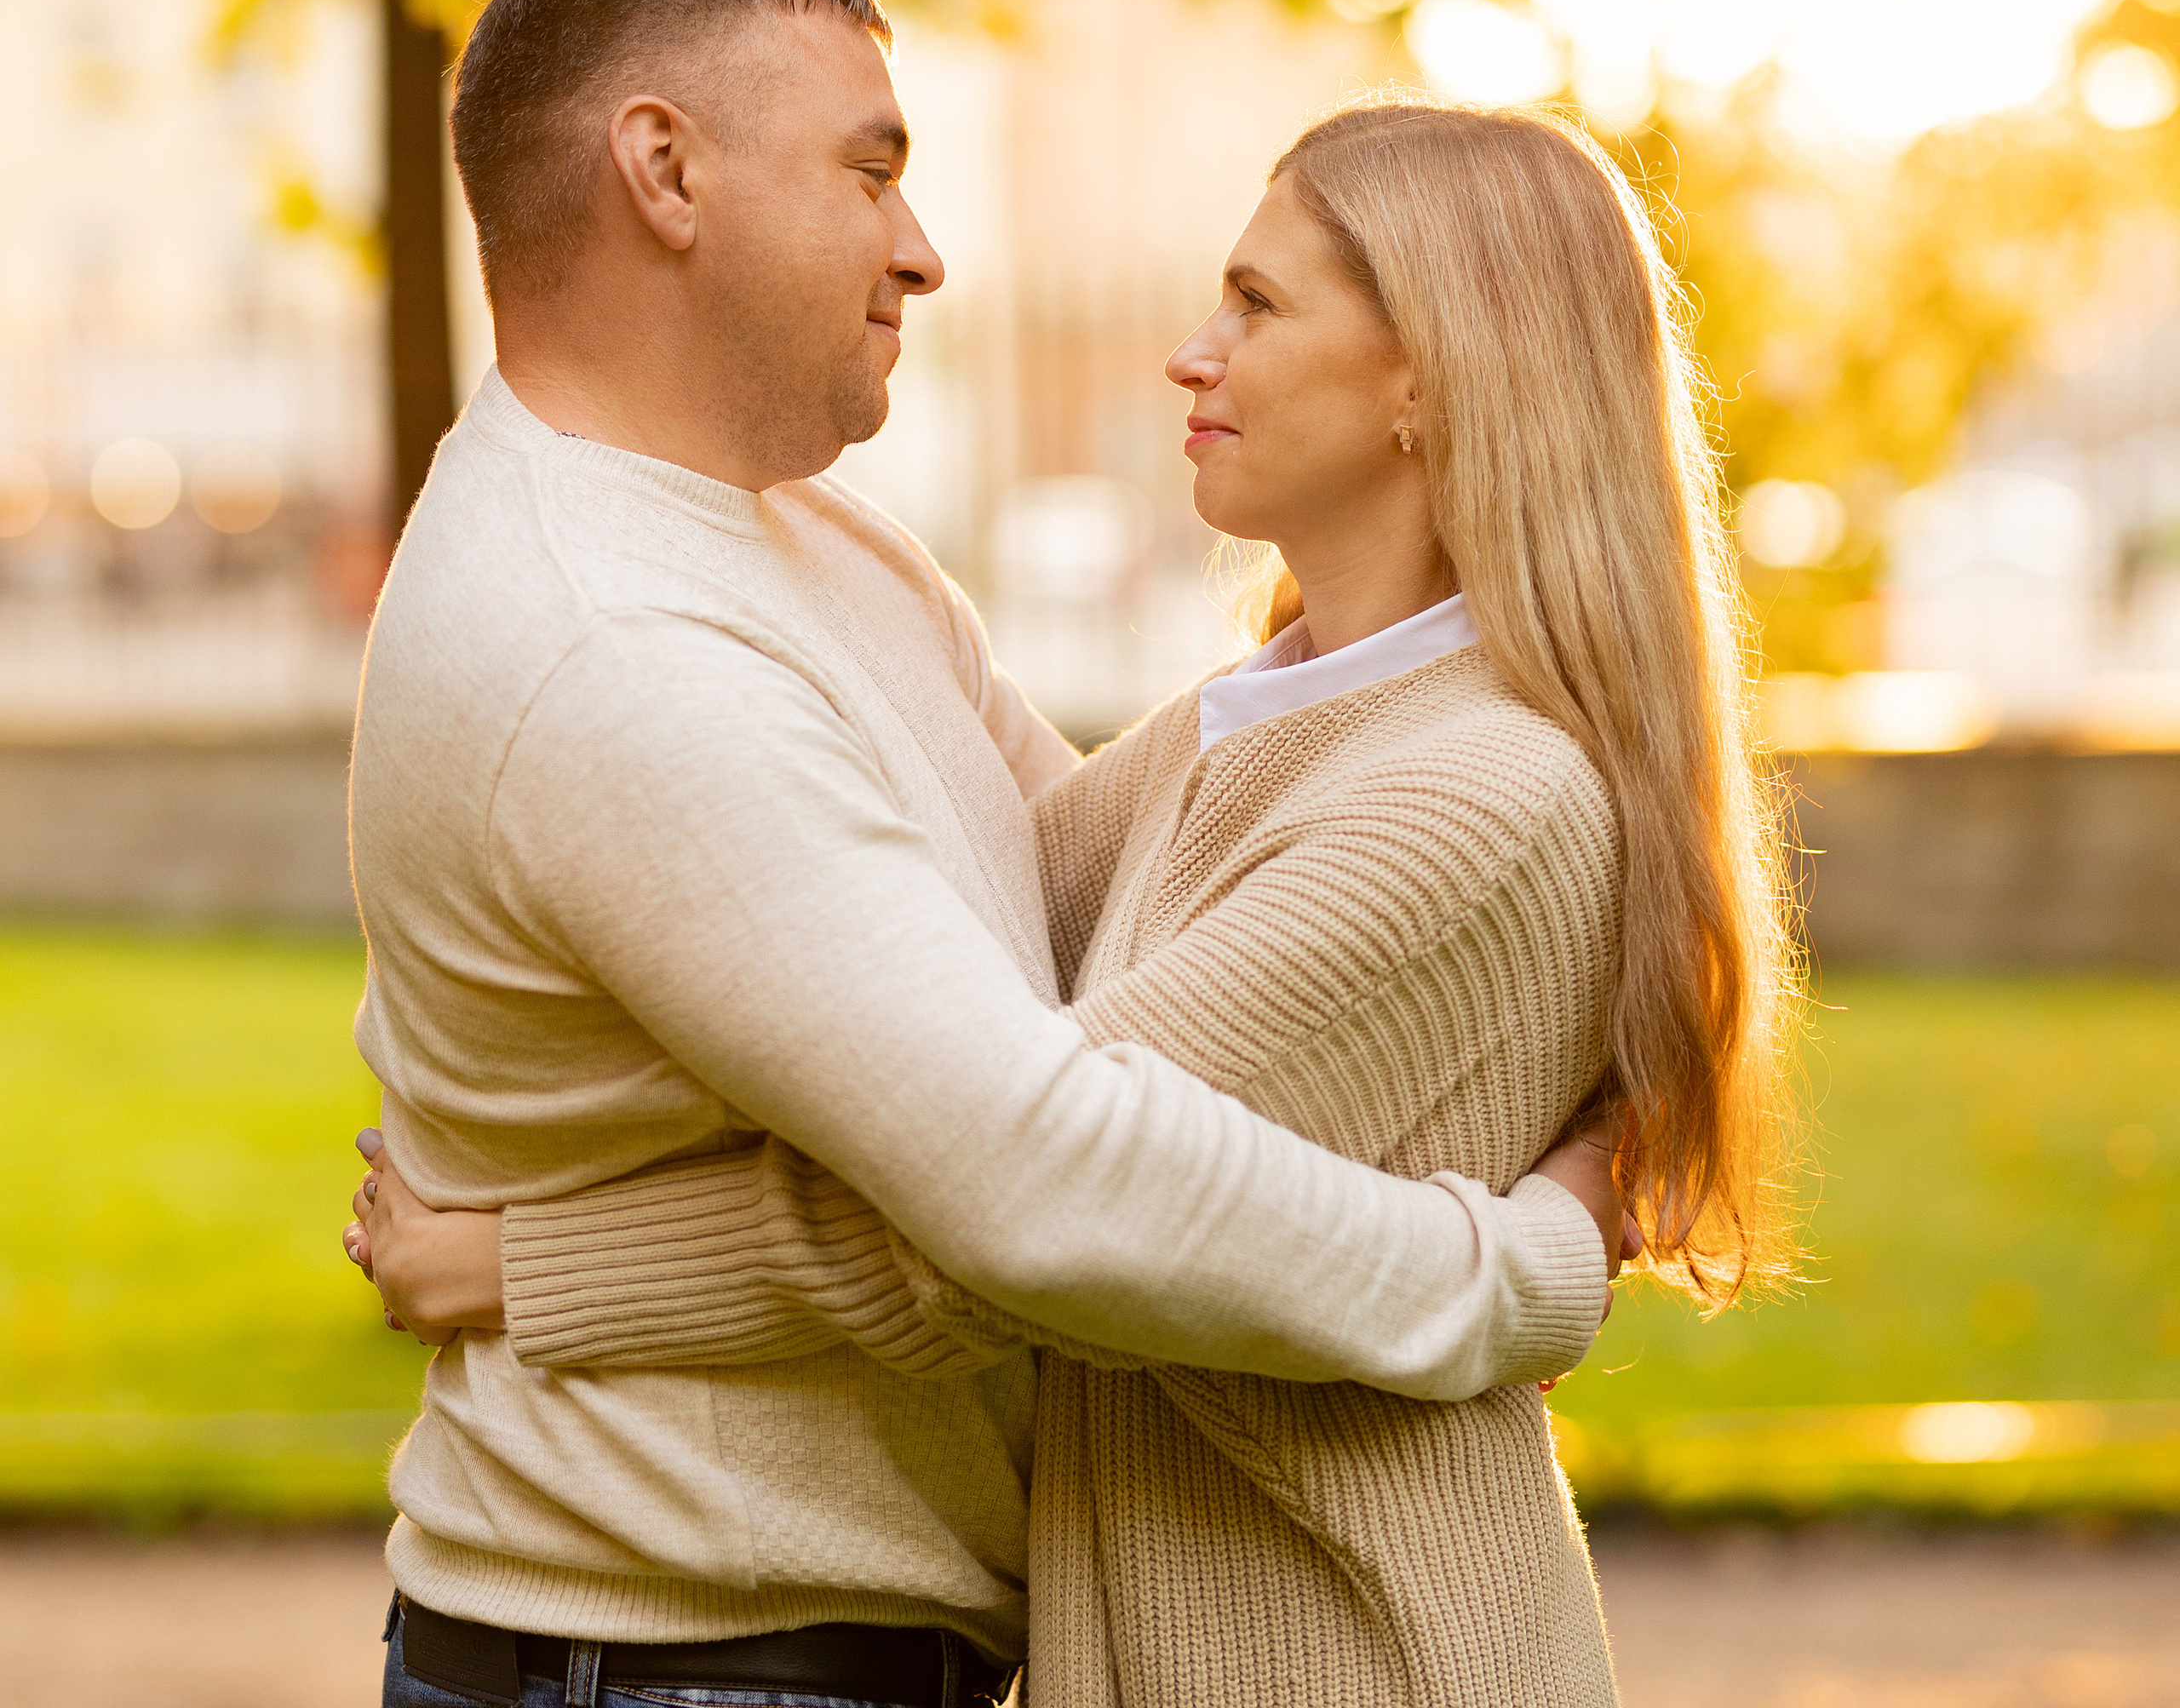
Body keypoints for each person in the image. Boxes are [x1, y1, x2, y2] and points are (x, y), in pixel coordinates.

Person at [353, 84, 1796, 1705]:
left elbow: (1013, 1217)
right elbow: (981, 1024)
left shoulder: (1471, 799)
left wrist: (535, 1266)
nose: (1192, 352)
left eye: (1256, 305)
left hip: (1338, 1654)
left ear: (1431, 378)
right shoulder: (1261, 719)